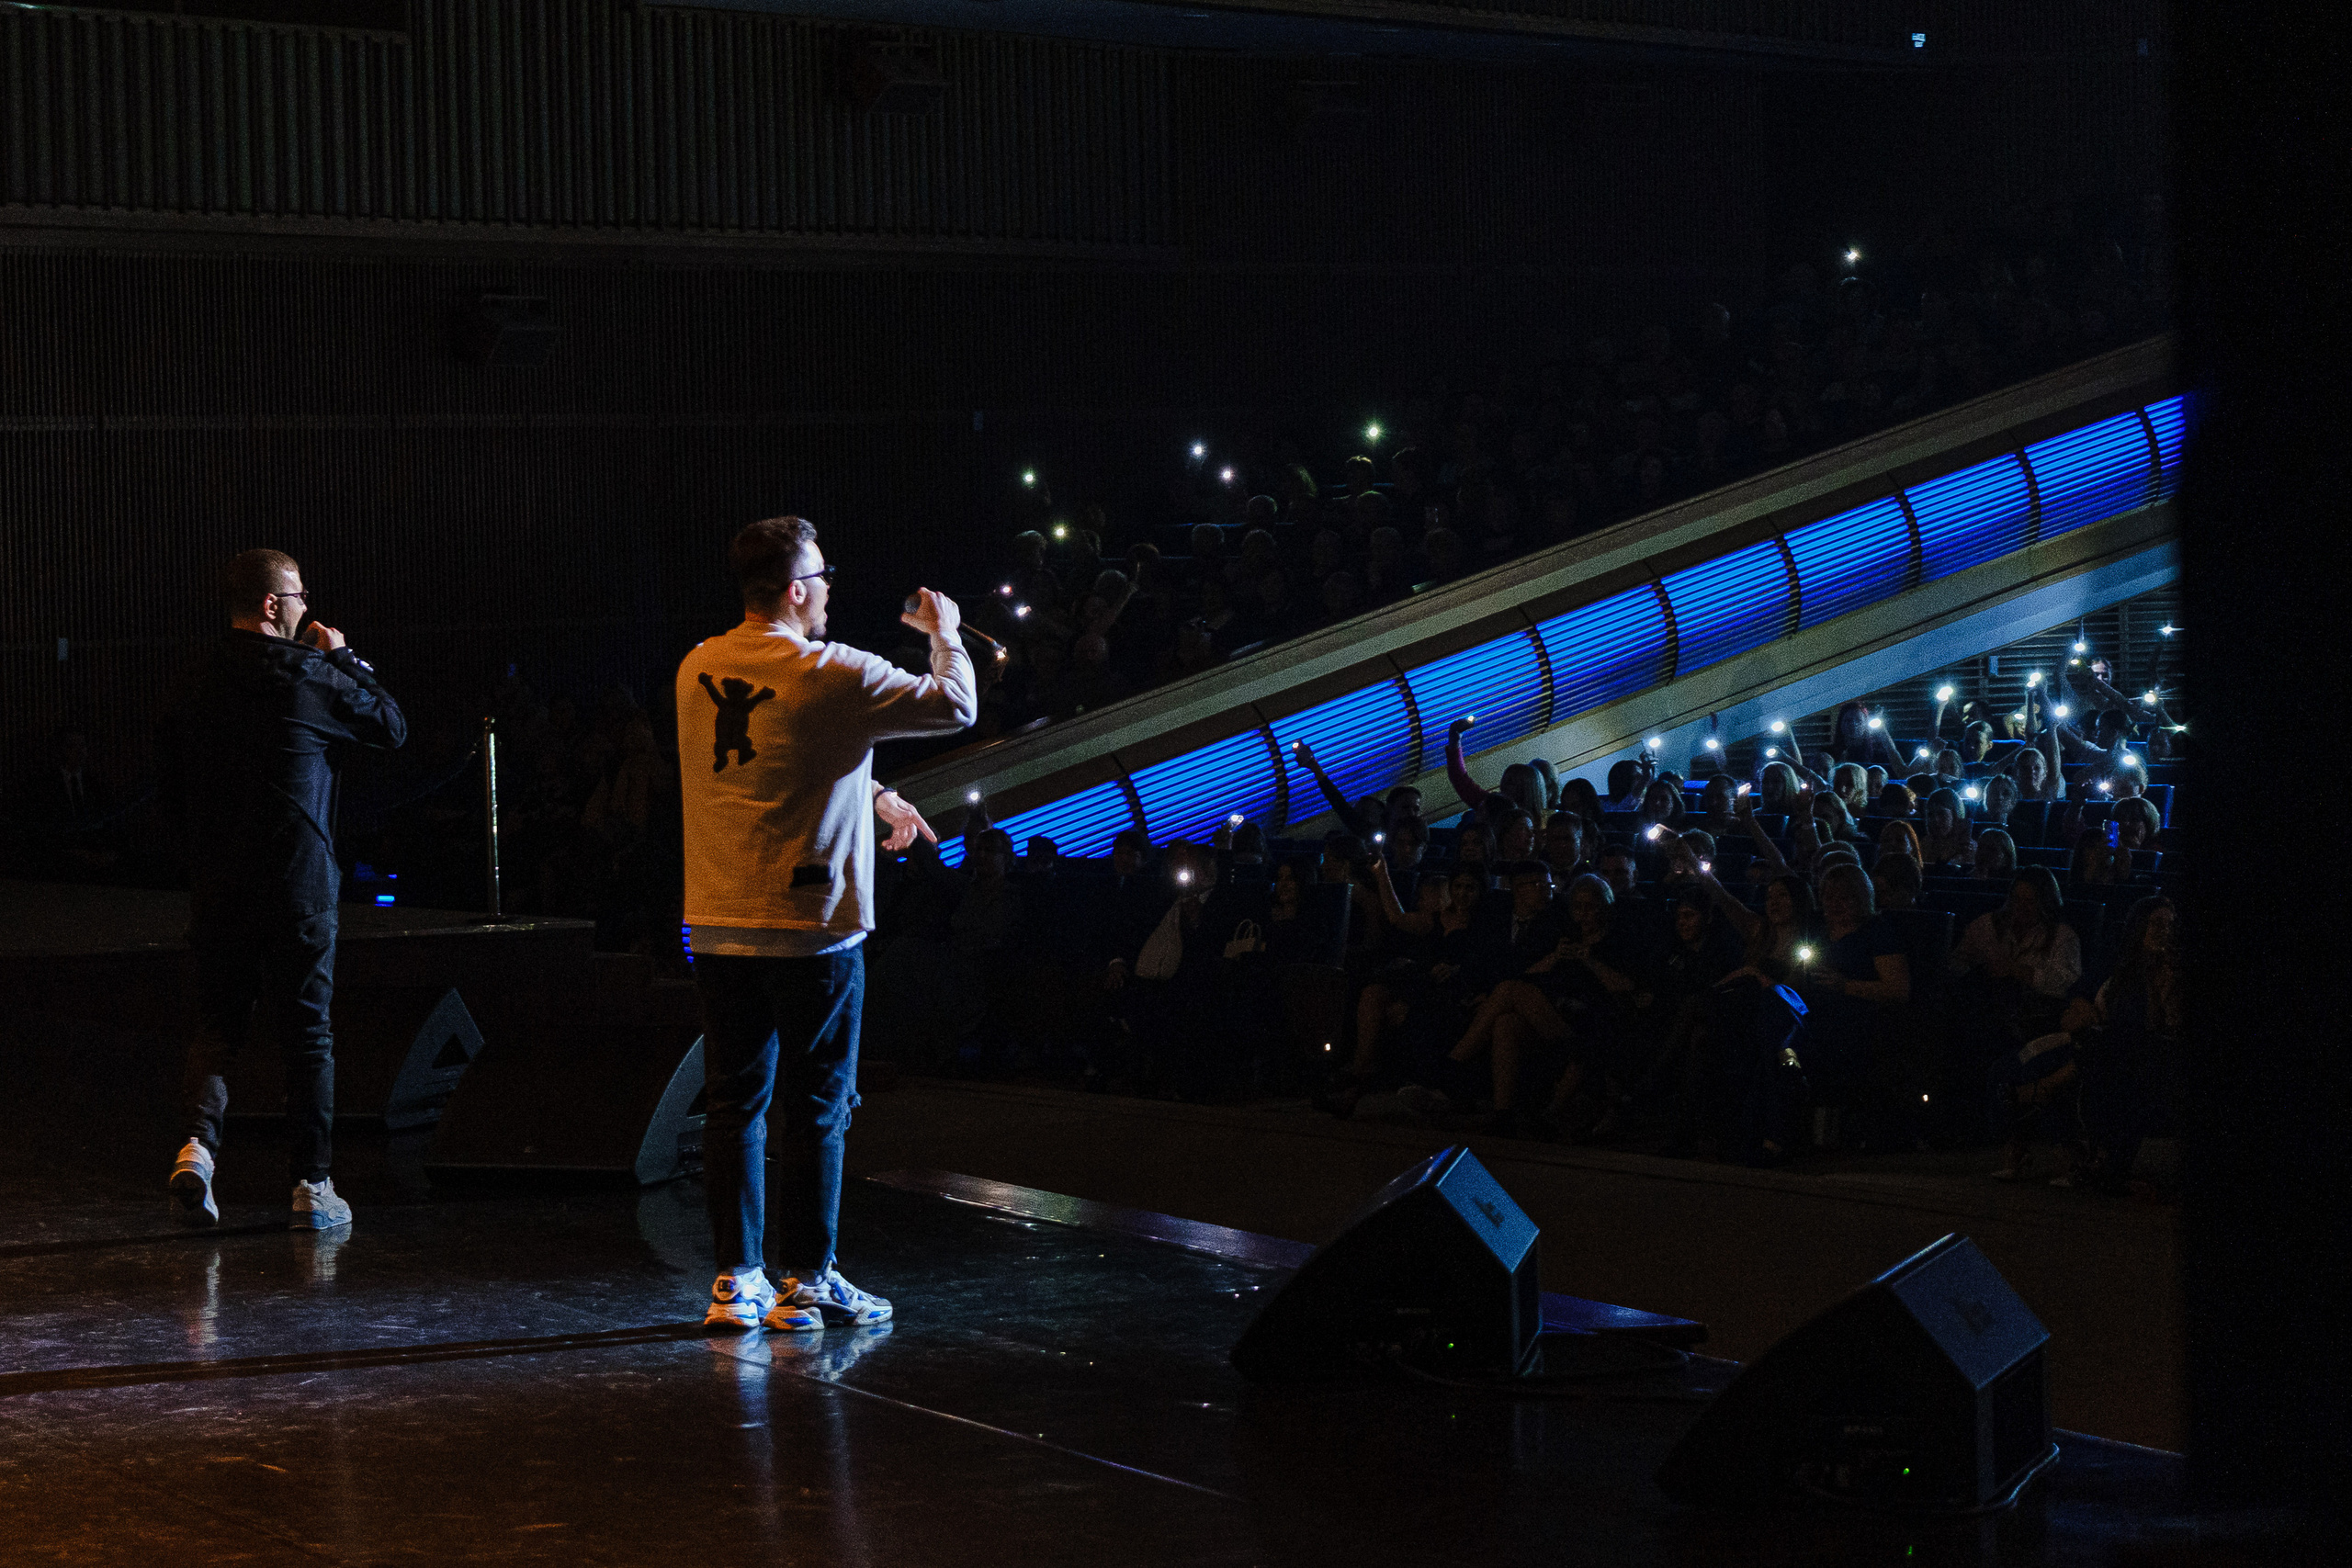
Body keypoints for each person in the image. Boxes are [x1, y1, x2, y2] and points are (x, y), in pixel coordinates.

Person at [677, 516, 976, 1332]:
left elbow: (769, 760)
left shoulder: (697, 665)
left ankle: (735, 1282)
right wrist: (944, 634)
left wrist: (874, 795)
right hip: (812, 927)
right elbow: (954, 704)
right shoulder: (830, 669)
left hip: (718, 922)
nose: (832, 588)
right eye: (824, 574)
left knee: (733, 1102)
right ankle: (808, 1281)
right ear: (797, 589)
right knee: (816, 1104)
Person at [164, 549, 407, 1231]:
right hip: (299, 887)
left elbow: (170, 784)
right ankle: (312, 1184)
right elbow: (391, 725)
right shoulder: (309, 676)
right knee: (307, 1036)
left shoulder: (194, 681)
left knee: (217, 1027)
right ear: (274, 604)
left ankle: (198, 1149)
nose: (307, 606)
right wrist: (344, 656)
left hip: (218, 885)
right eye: (299, 594)